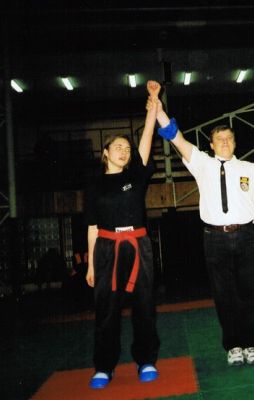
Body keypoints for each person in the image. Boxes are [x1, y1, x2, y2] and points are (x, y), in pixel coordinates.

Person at [152, 88, 254, 366]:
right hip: (214, 239)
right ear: (211, 144)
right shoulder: (201, 163)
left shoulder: (250, 168)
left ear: (235, 143)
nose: (224, 142)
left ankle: (250, 344)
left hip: (245, 236)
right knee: (223, 294)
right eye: (219, 139)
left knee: (248, 292)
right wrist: (159, 110)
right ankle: (233, 345)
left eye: (229, 138)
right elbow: (175, 136)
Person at [84, 81, 161, 389]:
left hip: (138, 245)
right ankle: (104, 367)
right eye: (117, 147)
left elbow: (147, 137)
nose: (124, 151)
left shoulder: (136, 176)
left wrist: (153, 105)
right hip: (106, 247)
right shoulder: (94, 186)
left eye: (127, 149)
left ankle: (146, 360)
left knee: (144, 305)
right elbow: (92, 227)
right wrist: (91, 265)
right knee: (107, 309)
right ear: (105, 153)